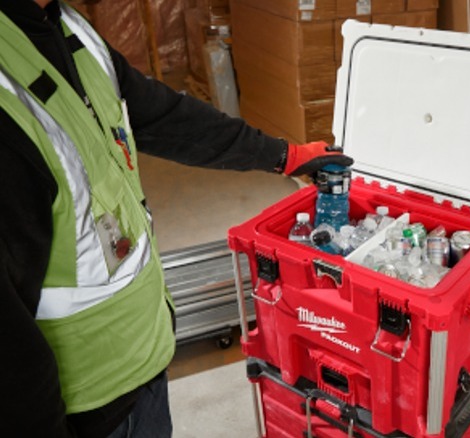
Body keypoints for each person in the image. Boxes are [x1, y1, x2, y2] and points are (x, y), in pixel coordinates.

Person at [0, 1, 352, 436]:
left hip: (143, 360)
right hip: (84, 409)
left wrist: (284, 156)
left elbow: (166, 118)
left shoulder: (67, 26)